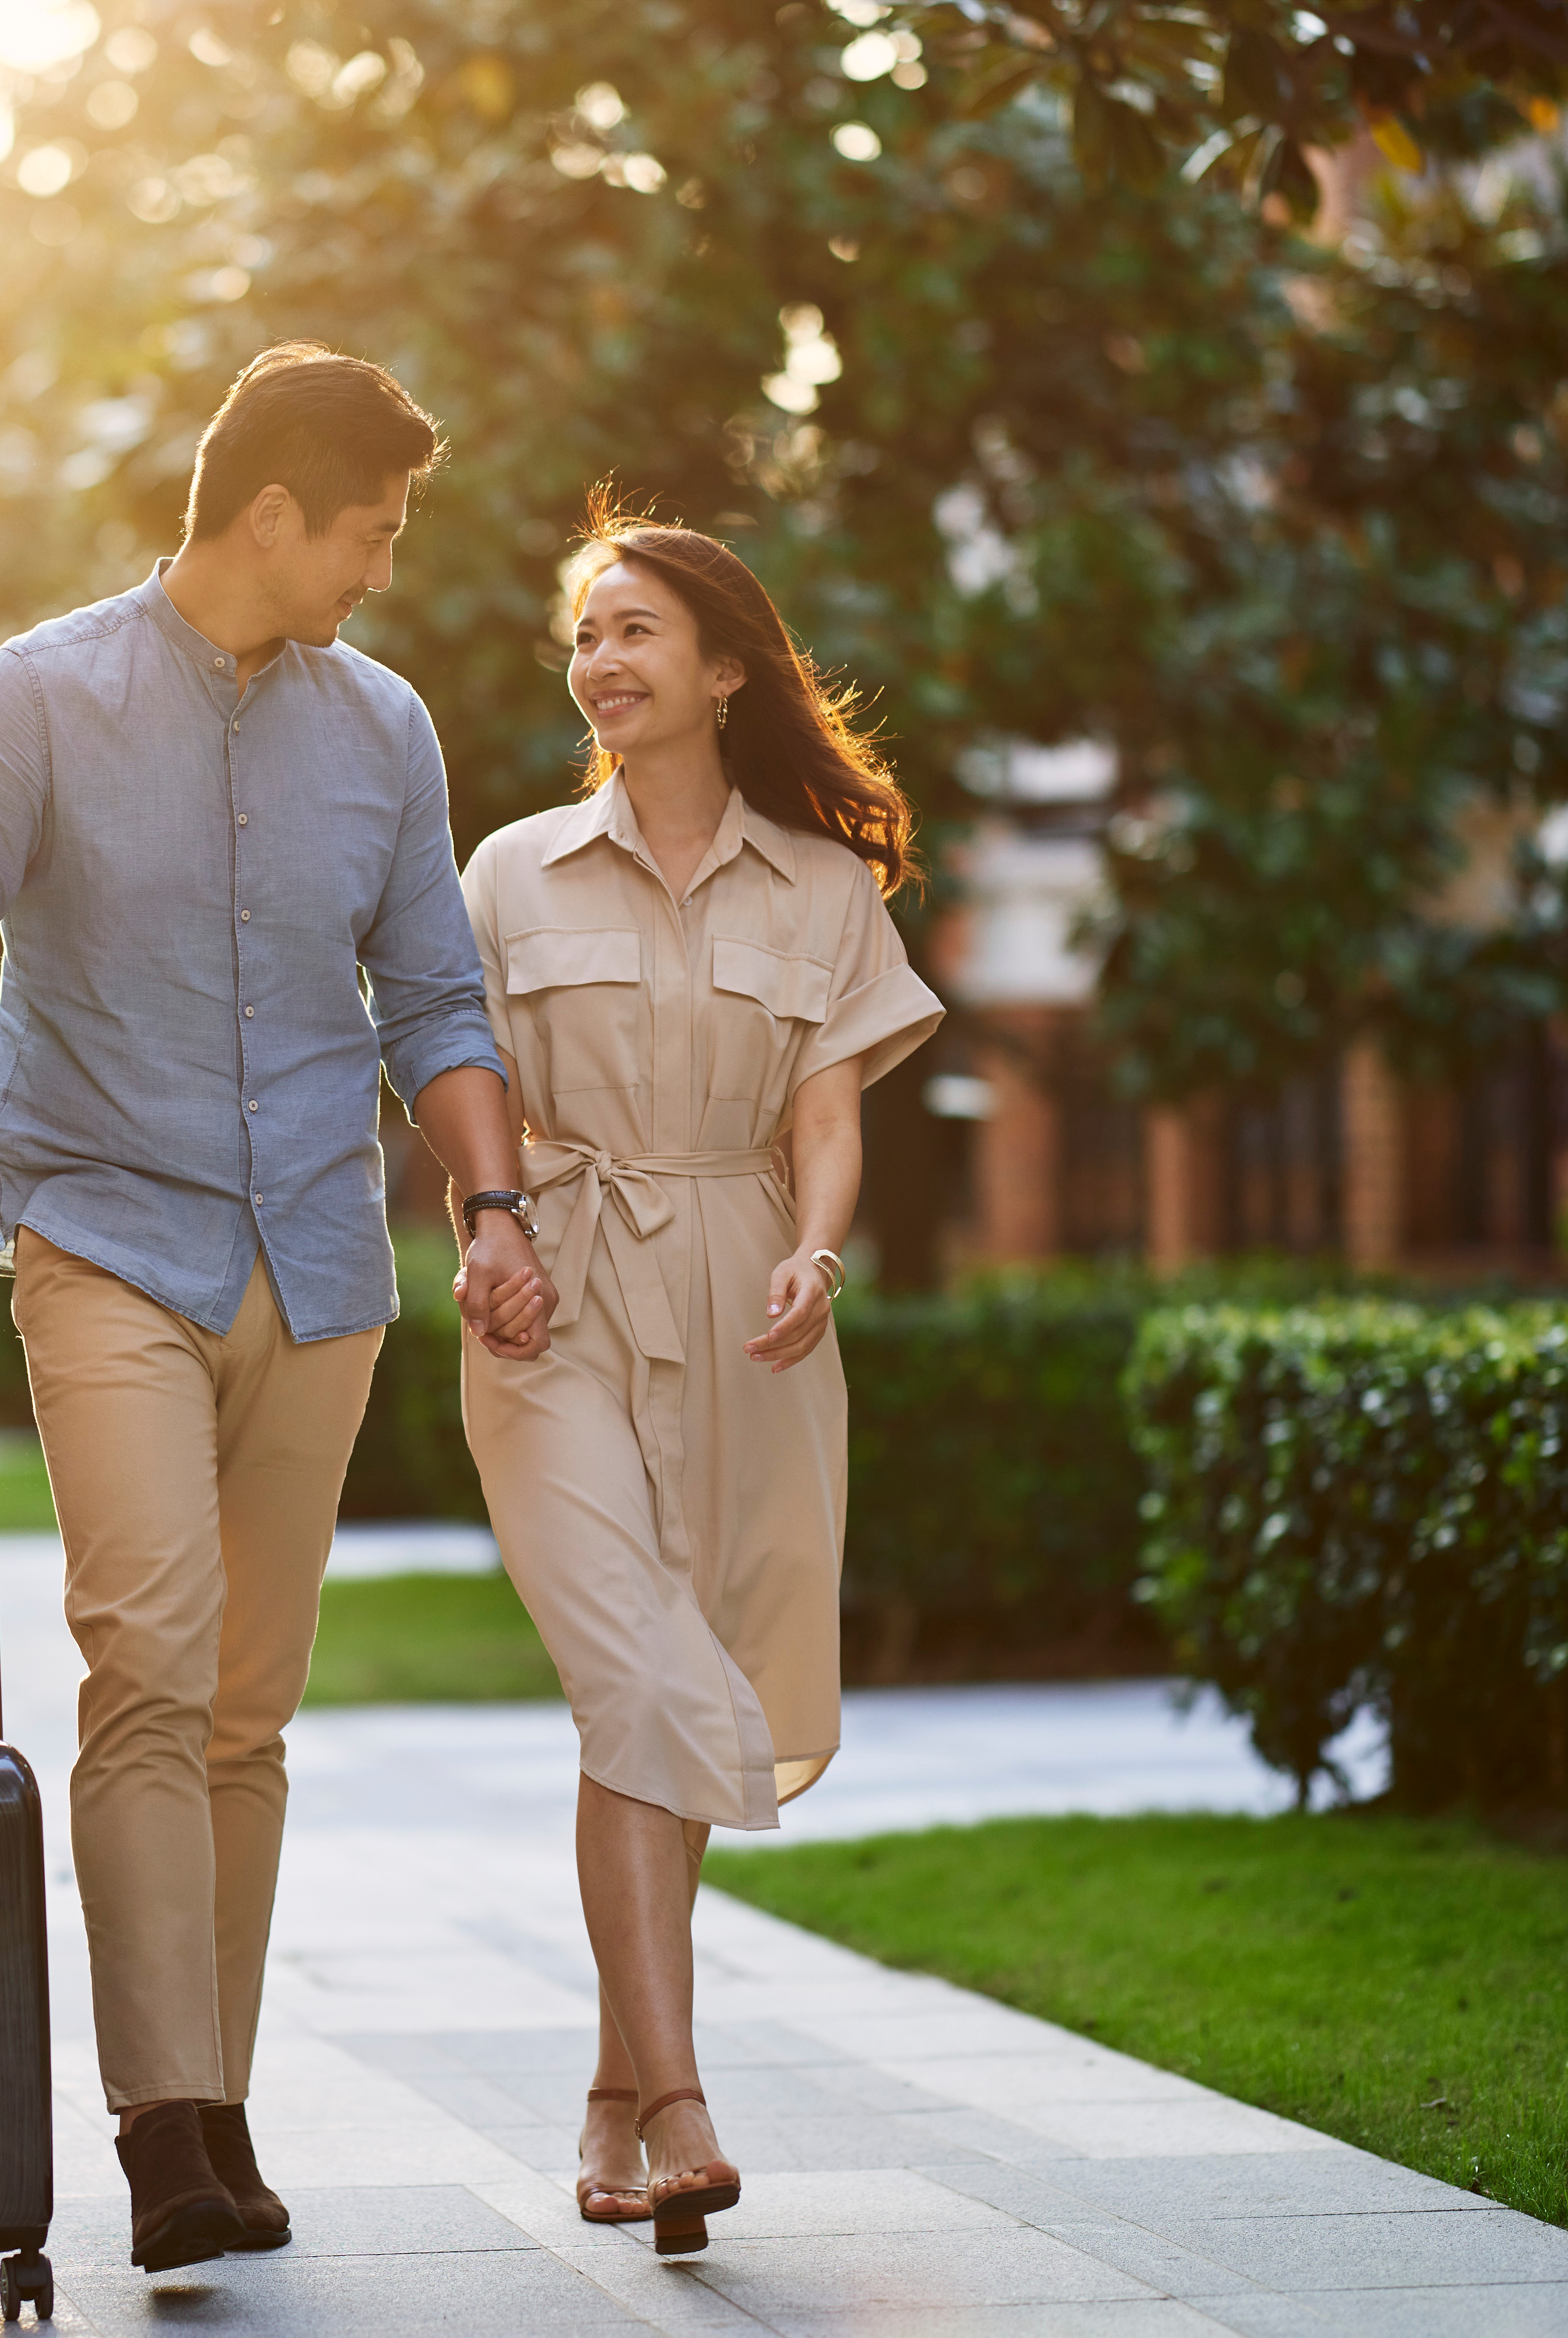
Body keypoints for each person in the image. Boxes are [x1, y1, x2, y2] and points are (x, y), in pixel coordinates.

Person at [0, 343, 556, 2276]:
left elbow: (433, 1001)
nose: (382, 571)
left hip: (317, 1263)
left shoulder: (383, 729)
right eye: (372, 533)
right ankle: (166, 2126)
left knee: (247, 1711)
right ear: (271, 515)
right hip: (102, 1245)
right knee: (147, 1654)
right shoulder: (39, 697)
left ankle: (217, 2112)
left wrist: (489, 1201)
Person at [452, 501, 941, 2256]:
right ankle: (678, 2099)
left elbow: (827, 1116)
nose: (602, 659)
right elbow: (468, 1087)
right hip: (548, 1298)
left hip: (746, 1300)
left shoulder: (820, 887)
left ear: (725, 665)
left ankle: (604, 2093)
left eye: (638, 626)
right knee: (631, 1657)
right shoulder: (505, 873)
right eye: (586, 631)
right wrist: (485, 1225)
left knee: (672, 1679)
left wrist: (816, 1251)